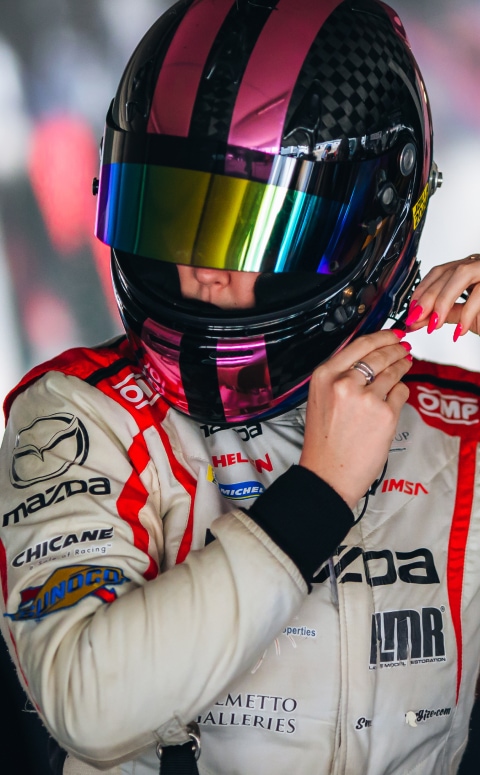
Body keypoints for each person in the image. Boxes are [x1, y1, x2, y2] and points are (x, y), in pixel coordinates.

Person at [1, 1, 480, 773]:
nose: (198, 268)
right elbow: (86, 700)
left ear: (371, 221)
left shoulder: (456, 429)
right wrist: (318, 494)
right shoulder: (80, 413)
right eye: (172, 210)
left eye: (242, 225)